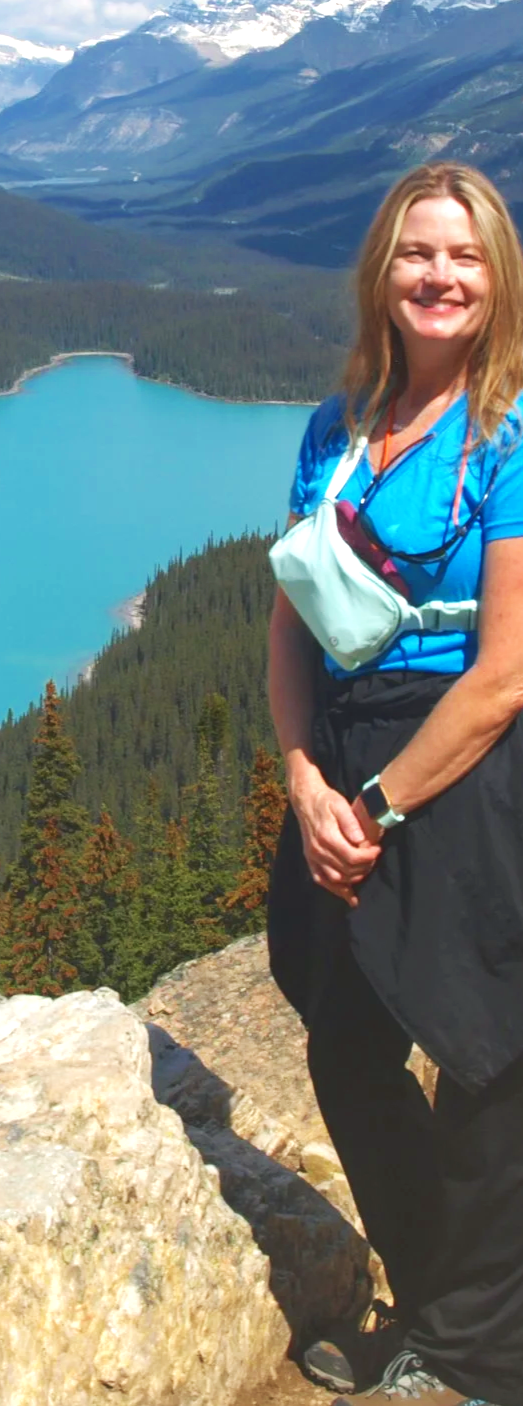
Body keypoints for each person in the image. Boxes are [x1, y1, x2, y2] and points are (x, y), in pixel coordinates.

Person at [268, 163, 523, 1405]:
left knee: (484, 1059)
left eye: (465, 255)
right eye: (419, 252)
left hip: (460, 769)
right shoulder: (338, 422)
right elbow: (289, 617)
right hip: (344, 752)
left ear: (496, 278)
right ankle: (445, 1310)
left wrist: (375, 808)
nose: (440, 274)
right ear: (384, 270)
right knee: (343, 1034)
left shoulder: (512, 432)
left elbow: (505, 673)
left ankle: (477, 1364)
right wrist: (305, 771)